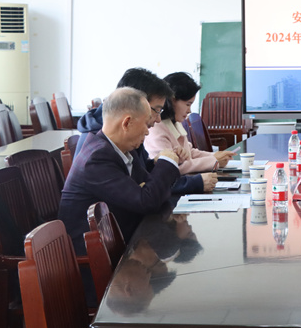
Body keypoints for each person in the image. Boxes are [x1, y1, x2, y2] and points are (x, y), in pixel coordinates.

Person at [60, 87, 180, 255]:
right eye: (146, 124)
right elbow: (147, 201)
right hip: (94, 256)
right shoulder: (97, 158)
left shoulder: (123, 149)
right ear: (127, 123)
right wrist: (167, 162)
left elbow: (152, 193)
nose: (148, 131)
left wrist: (150, 186)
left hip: (119, 240)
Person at [76, 67, 216, 194]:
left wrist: (160, 162)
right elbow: (140, 195)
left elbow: (143, 176)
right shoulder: (102, 146)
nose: (158, 119)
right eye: (156, 110)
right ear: (136, 103)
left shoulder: (127, 134)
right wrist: (191, 181)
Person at [144, 72, 234, 174]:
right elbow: (169, 167)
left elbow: (189, 152)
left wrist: (215, 156)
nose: (189, 110)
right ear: (172, 100)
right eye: (188, 104)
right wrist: (213, 161)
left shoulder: (174, 123)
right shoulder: (156, 128)